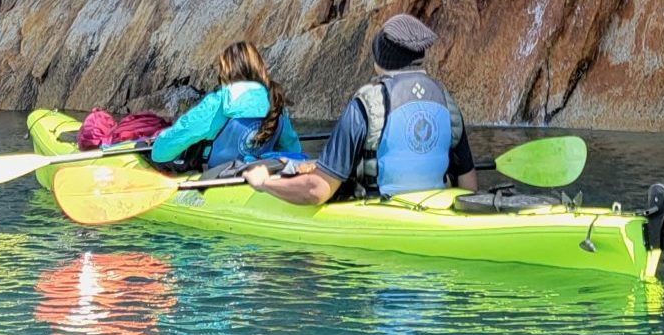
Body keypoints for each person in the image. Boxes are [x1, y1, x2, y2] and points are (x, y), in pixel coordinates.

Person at [242, 14, 476, 203]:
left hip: (379, 215)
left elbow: (317, 191)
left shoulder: (367, 105)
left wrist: (265, 183)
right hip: (435, 208)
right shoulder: (446, 102)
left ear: (380, 57)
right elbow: (469, 185)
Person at [148, 41, 302, 173]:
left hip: (216, 180)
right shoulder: (274, 100)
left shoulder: (218, 102)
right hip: (259, 174)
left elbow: (160, 153)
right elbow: (292, 151)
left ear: (226, 71)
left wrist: (157, 145)